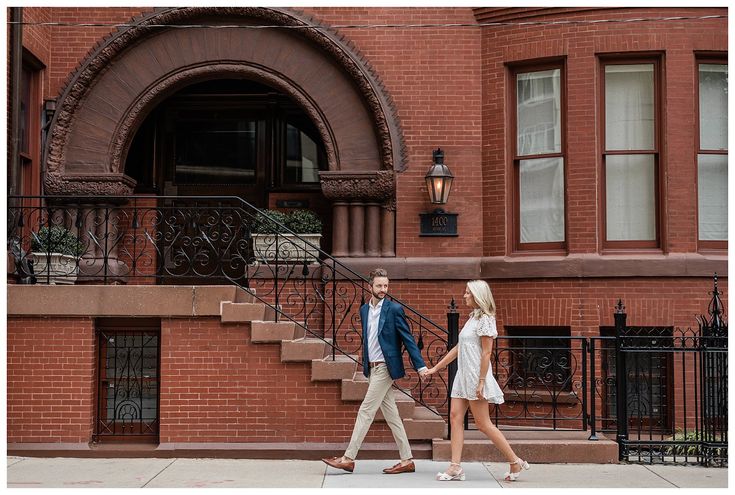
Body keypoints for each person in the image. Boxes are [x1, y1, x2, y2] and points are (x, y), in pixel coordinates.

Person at [322, 268, 429, 474]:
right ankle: (407, 460)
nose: (383, 289)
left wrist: (420, 366)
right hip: (372, 368)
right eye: (379, 286)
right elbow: (369, 341)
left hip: (385, 368)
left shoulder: (394, 310)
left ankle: (348, 458)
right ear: (369, 286)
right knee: (392, 416)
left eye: (386, 286)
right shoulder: (364, 310)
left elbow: (408, 339)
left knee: (366, 411)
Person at [424, 280, 530, 482]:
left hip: (475, 376)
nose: (464, 296)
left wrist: (481, 382)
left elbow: (487, 353)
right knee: (455, 417)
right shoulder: (472, 318)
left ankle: (514, 461)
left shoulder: (486, 319)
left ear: (478, 296)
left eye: (467, 293)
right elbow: (458, 348)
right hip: (463, 376)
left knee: (483, 424)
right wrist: (436, 368)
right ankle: (455, 467)